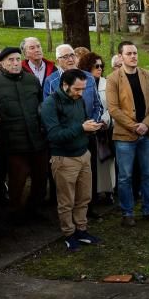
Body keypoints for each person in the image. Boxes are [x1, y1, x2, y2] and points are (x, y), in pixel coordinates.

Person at [41, 68, 103, 252]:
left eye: (83, 89)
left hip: (83, 154)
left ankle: (81, 230)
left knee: (84, 197)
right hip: (64, 158)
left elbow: (82, 121)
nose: (81, 93)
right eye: (77, 89)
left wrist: (91, 126)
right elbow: (54, 135)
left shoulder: (79, 100)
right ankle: (69, 234)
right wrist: (82, 128)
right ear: (65, 85)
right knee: (66, 200)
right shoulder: (51, 104)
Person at [0, 47, 48, 225]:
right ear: (2, 63)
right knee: (16, 182)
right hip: (13, 144)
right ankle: (14, 215)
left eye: (17, 59)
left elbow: (41, 105)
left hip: (37, 140)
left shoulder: (31, 80)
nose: (14, 63)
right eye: (10, 60)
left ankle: (34, 210)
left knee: (40, 179)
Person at [107, 41, 149, 227]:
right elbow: (113, 109)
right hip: (125, 136)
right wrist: (134, 126)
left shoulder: (147, 75)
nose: (133, 56)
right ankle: (127, 212)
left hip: (146, 134)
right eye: (129, 53)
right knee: (125, 176)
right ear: (121, 56)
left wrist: (146, 124)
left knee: (148, 174)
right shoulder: (113, 78)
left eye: (135, 53)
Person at [78, 51, 115, 203]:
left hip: (105, 128)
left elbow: (112, 106)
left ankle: (108, 191)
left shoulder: (107, 84)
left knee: (106, 162)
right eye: (95, 66)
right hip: (88, 129)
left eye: (101, 66)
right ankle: (92, 194)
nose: (99, 68)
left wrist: (105, 120)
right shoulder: (82, 84)